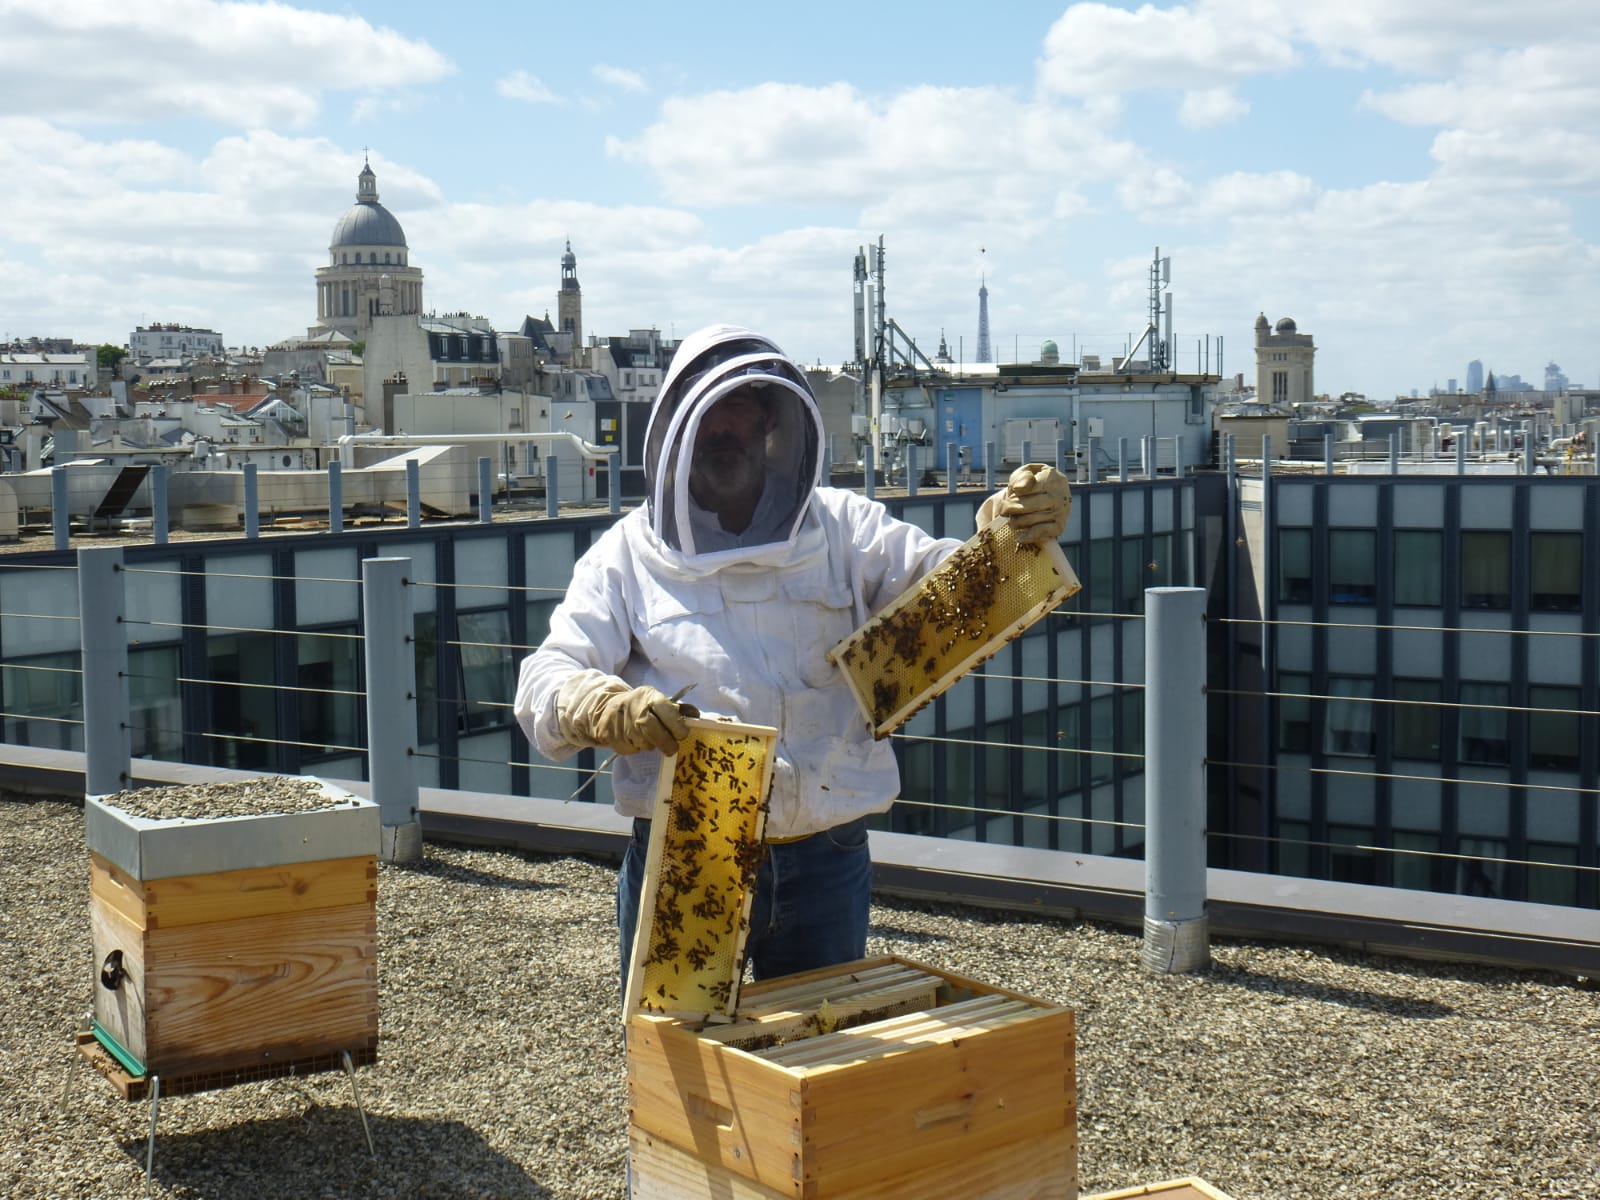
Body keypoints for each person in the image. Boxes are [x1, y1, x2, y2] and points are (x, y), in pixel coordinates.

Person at [513, 323, 1071, 990]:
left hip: (825, 849)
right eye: (708, 409)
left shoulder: (844, 528)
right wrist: (596, 703)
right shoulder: (626, 556)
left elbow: (954, 596)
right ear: (675, 428)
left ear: (771, 423)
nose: (723, 427)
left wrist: (1009, 537)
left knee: (818, 1055)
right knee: (682, 1063)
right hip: (693, 847)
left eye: (740, 406)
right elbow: (547, 677)